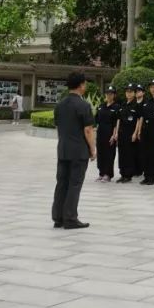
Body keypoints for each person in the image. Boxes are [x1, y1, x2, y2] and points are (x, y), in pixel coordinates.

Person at [51, 72, 95, 229]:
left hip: (63, 149)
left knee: (61, 183)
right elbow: (88, 130)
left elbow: (58, 128)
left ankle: (58, 217)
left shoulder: (60, 105)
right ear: (81, 85)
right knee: (74, 184)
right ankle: (70, 218)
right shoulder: (83, 106)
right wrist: (93, 149)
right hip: (78, 151)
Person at [114, 84, 141, 183]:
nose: (128, 94)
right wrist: (116, 132)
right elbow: (119, 120)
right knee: (122, 154)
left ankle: (128, 175)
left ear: (134, 93)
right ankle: (122, 173)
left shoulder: (136, 105)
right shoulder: (123, 105)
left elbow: (138, 120)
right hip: (121, 132)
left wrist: (135, 133)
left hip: (130, 132)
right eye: (127, 92)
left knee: (129, 154)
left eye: (130, 92)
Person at [94, 85, 120, 183]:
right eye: (107, 94)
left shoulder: (116, 107)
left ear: (114, 95)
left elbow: (116, 123)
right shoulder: (101, 106)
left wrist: (114, 135)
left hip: (110, 132)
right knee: (100, 153)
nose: (109, 96)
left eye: (111, 94)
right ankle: (101, 173)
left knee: (109, 154)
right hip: (100, 133)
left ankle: (108, 174)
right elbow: (97, 120)